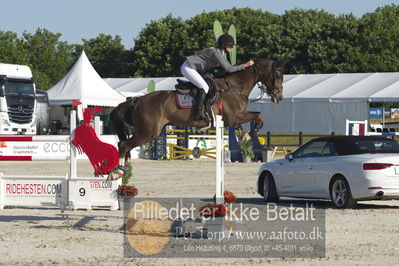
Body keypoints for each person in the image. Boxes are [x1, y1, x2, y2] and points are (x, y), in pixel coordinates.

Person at [180, 34, 254, 121]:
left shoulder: (219, 53)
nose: (232, 48)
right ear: (223, 45)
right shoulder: (217, 53)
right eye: (230, 46)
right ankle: (197, 113)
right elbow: (229, 69)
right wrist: (245, 65)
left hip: (196, 69)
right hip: (188, 67)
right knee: (205, 87)